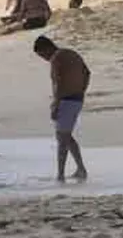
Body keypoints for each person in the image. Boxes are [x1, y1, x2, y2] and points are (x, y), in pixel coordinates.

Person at [34, 36, 90, 182]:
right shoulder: (71, 53)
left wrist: (56, 105)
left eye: (42, 55)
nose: (44, 59)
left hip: (66, 100)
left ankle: (60, 175)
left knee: (62, 137)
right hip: (77, 98)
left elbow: (58, 83)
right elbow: (87, 73)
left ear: (47, 48)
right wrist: (82, 90)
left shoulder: (56, 58)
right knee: (65, 136)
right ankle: (81, 169)